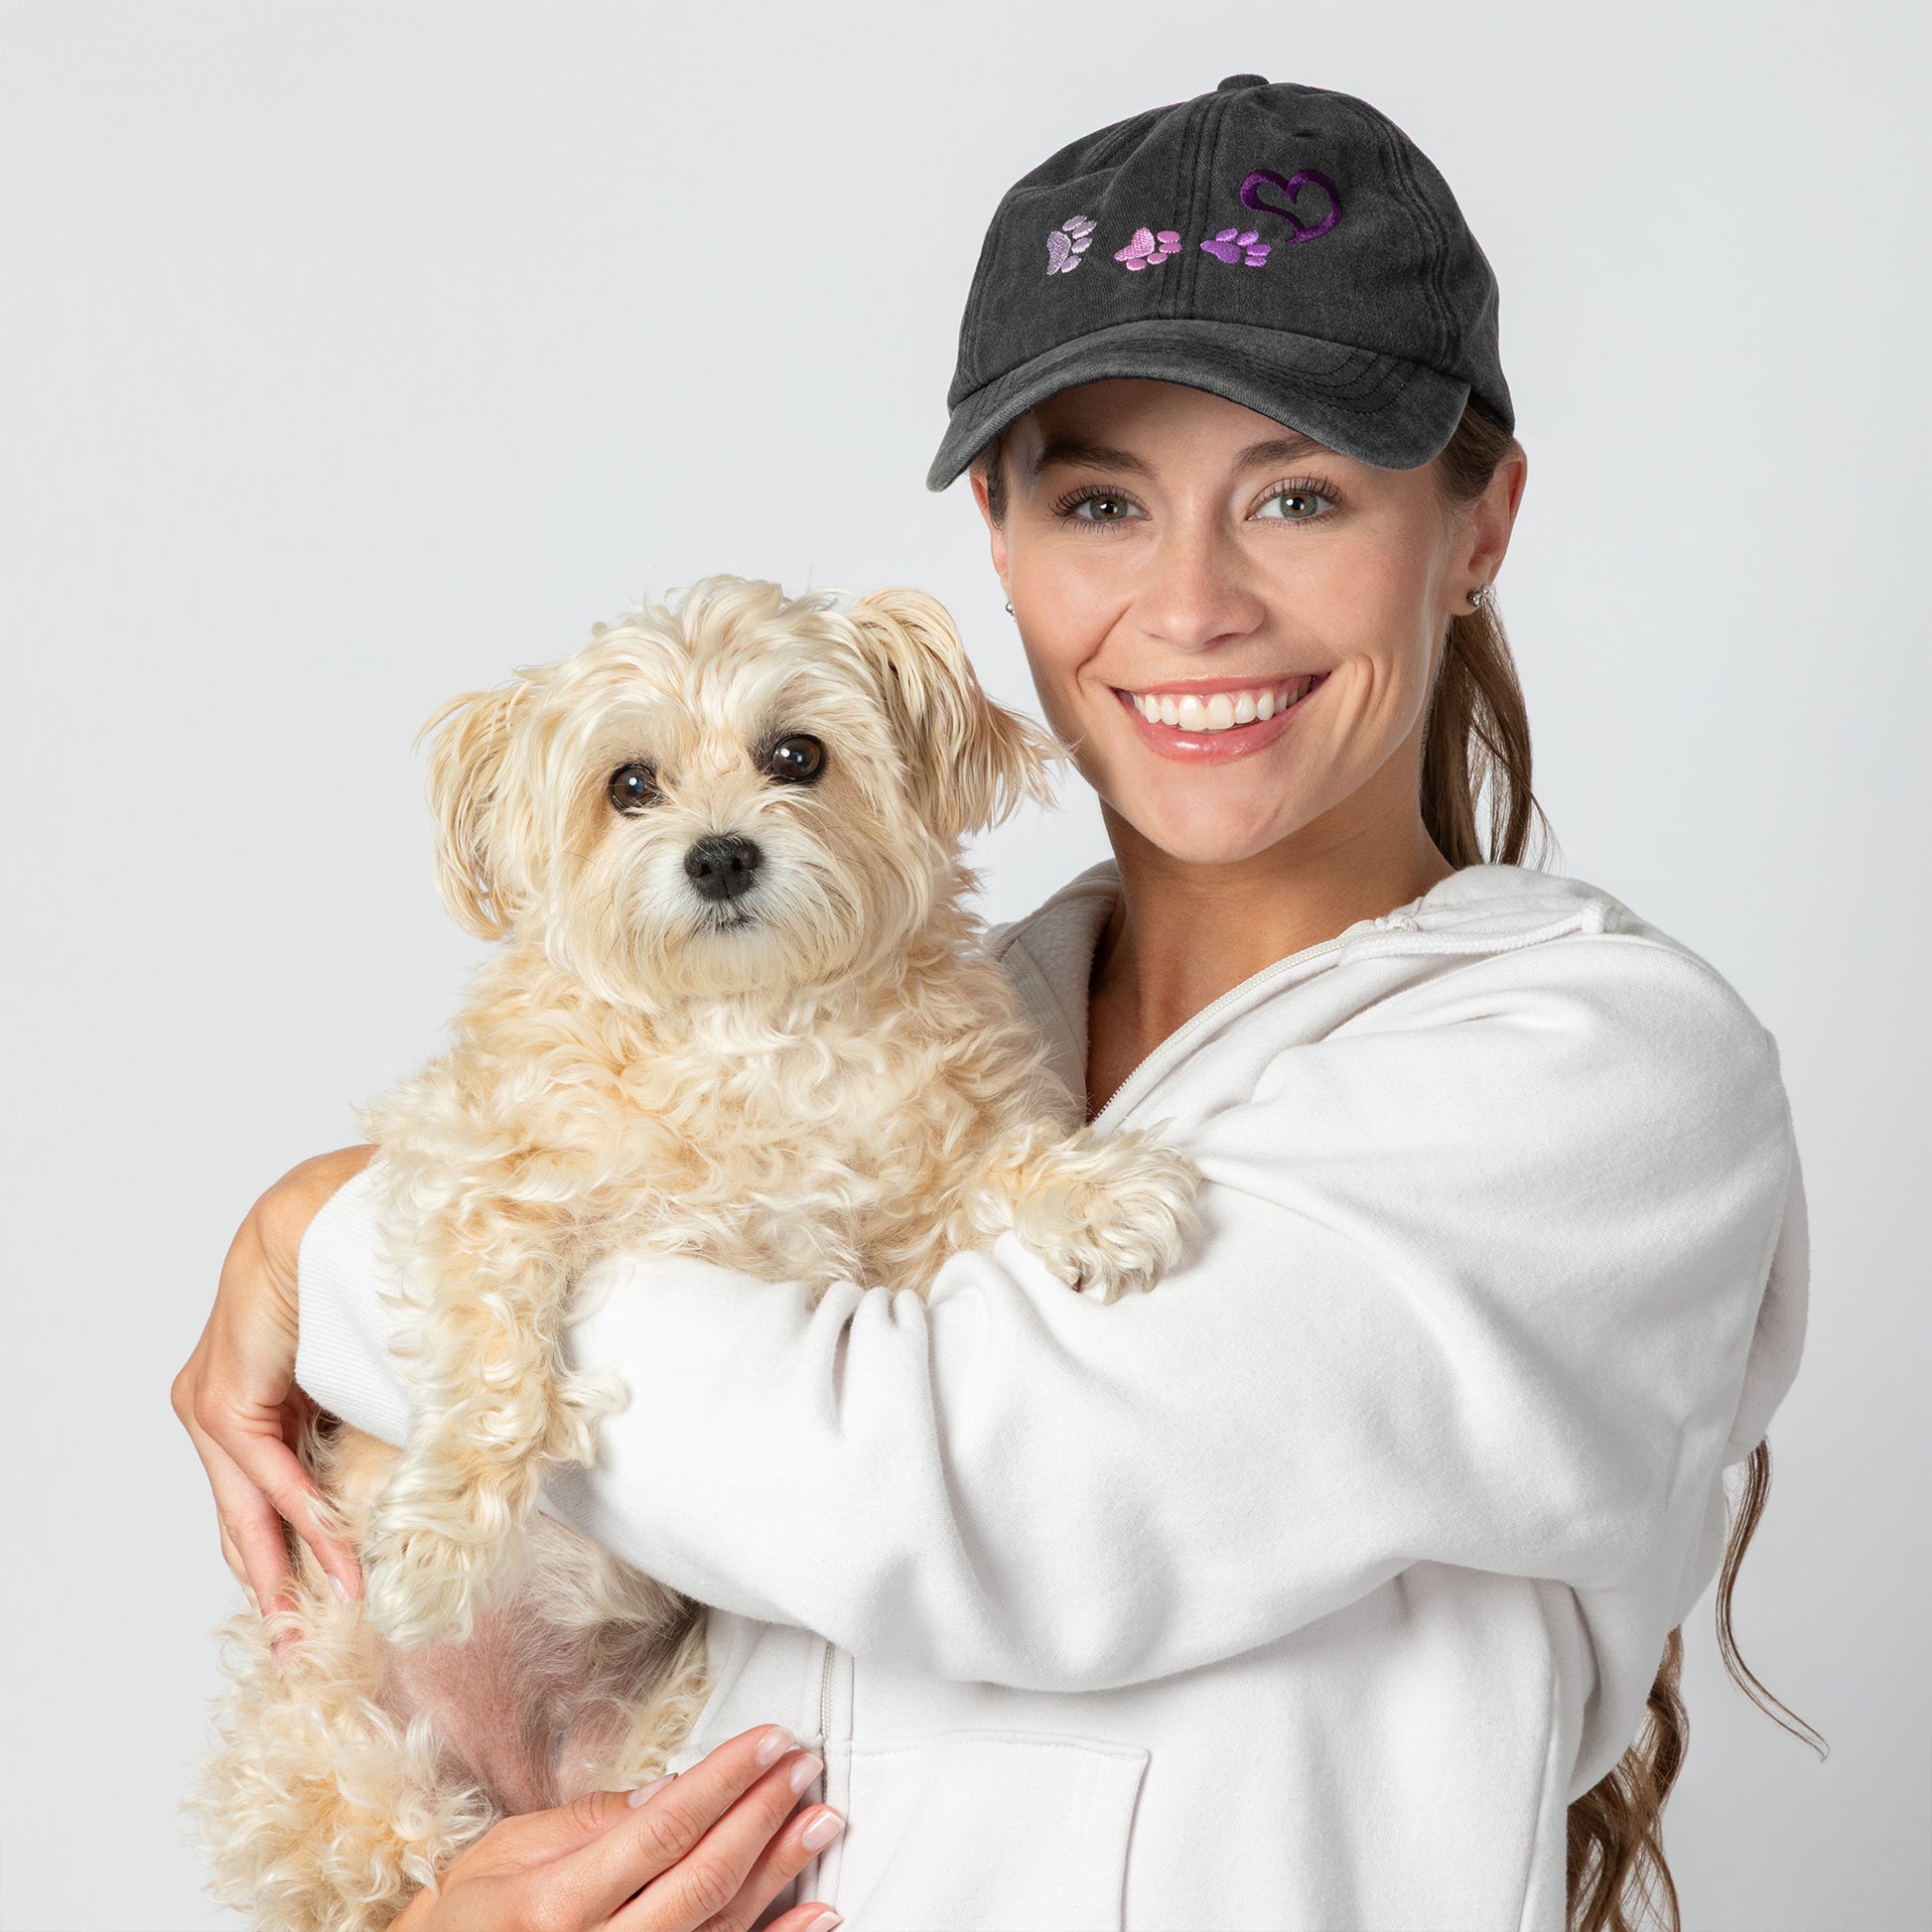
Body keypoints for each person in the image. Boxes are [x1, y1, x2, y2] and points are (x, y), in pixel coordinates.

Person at [174, 75, 1815, 1932]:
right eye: (1101, 499)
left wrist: (342, 1242)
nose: (1191, 605)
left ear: (1479, 521)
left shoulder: (1591, 1075)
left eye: (1297, 493)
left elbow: (959, 1493)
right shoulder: (911, 1027)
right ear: (1000, 545)